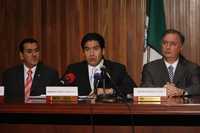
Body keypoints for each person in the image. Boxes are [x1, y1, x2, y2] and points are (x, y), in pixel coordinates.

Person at [63, 32, 136, 98]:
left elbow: (133, 89)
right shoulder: (74, 69)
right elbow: (60, 89)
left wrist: (109, 91)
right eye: (87, 49)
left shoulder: (116, 69)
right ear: (83, 53)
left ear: (103, 51)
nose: (91, 54)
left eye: (95, 49)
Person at [141, 29, 200, 97]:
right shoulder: (150, 67)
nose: (168, 47)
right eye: (165, 43)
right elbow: (144, 86)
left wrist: (181, 91)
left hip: (182, 106)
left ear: (181, 47)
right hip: (159, 107)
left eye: (173, 44)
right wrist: (162, 91)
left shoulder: (192, 68)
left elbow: (197, 87)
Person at [2, 38, 59, 102]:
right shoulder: (10, 75)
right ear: (21, 55)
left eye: (36, 51)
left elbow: (54, 100)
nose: (34, 54)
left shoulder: (50, 74)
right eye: (29, 51)